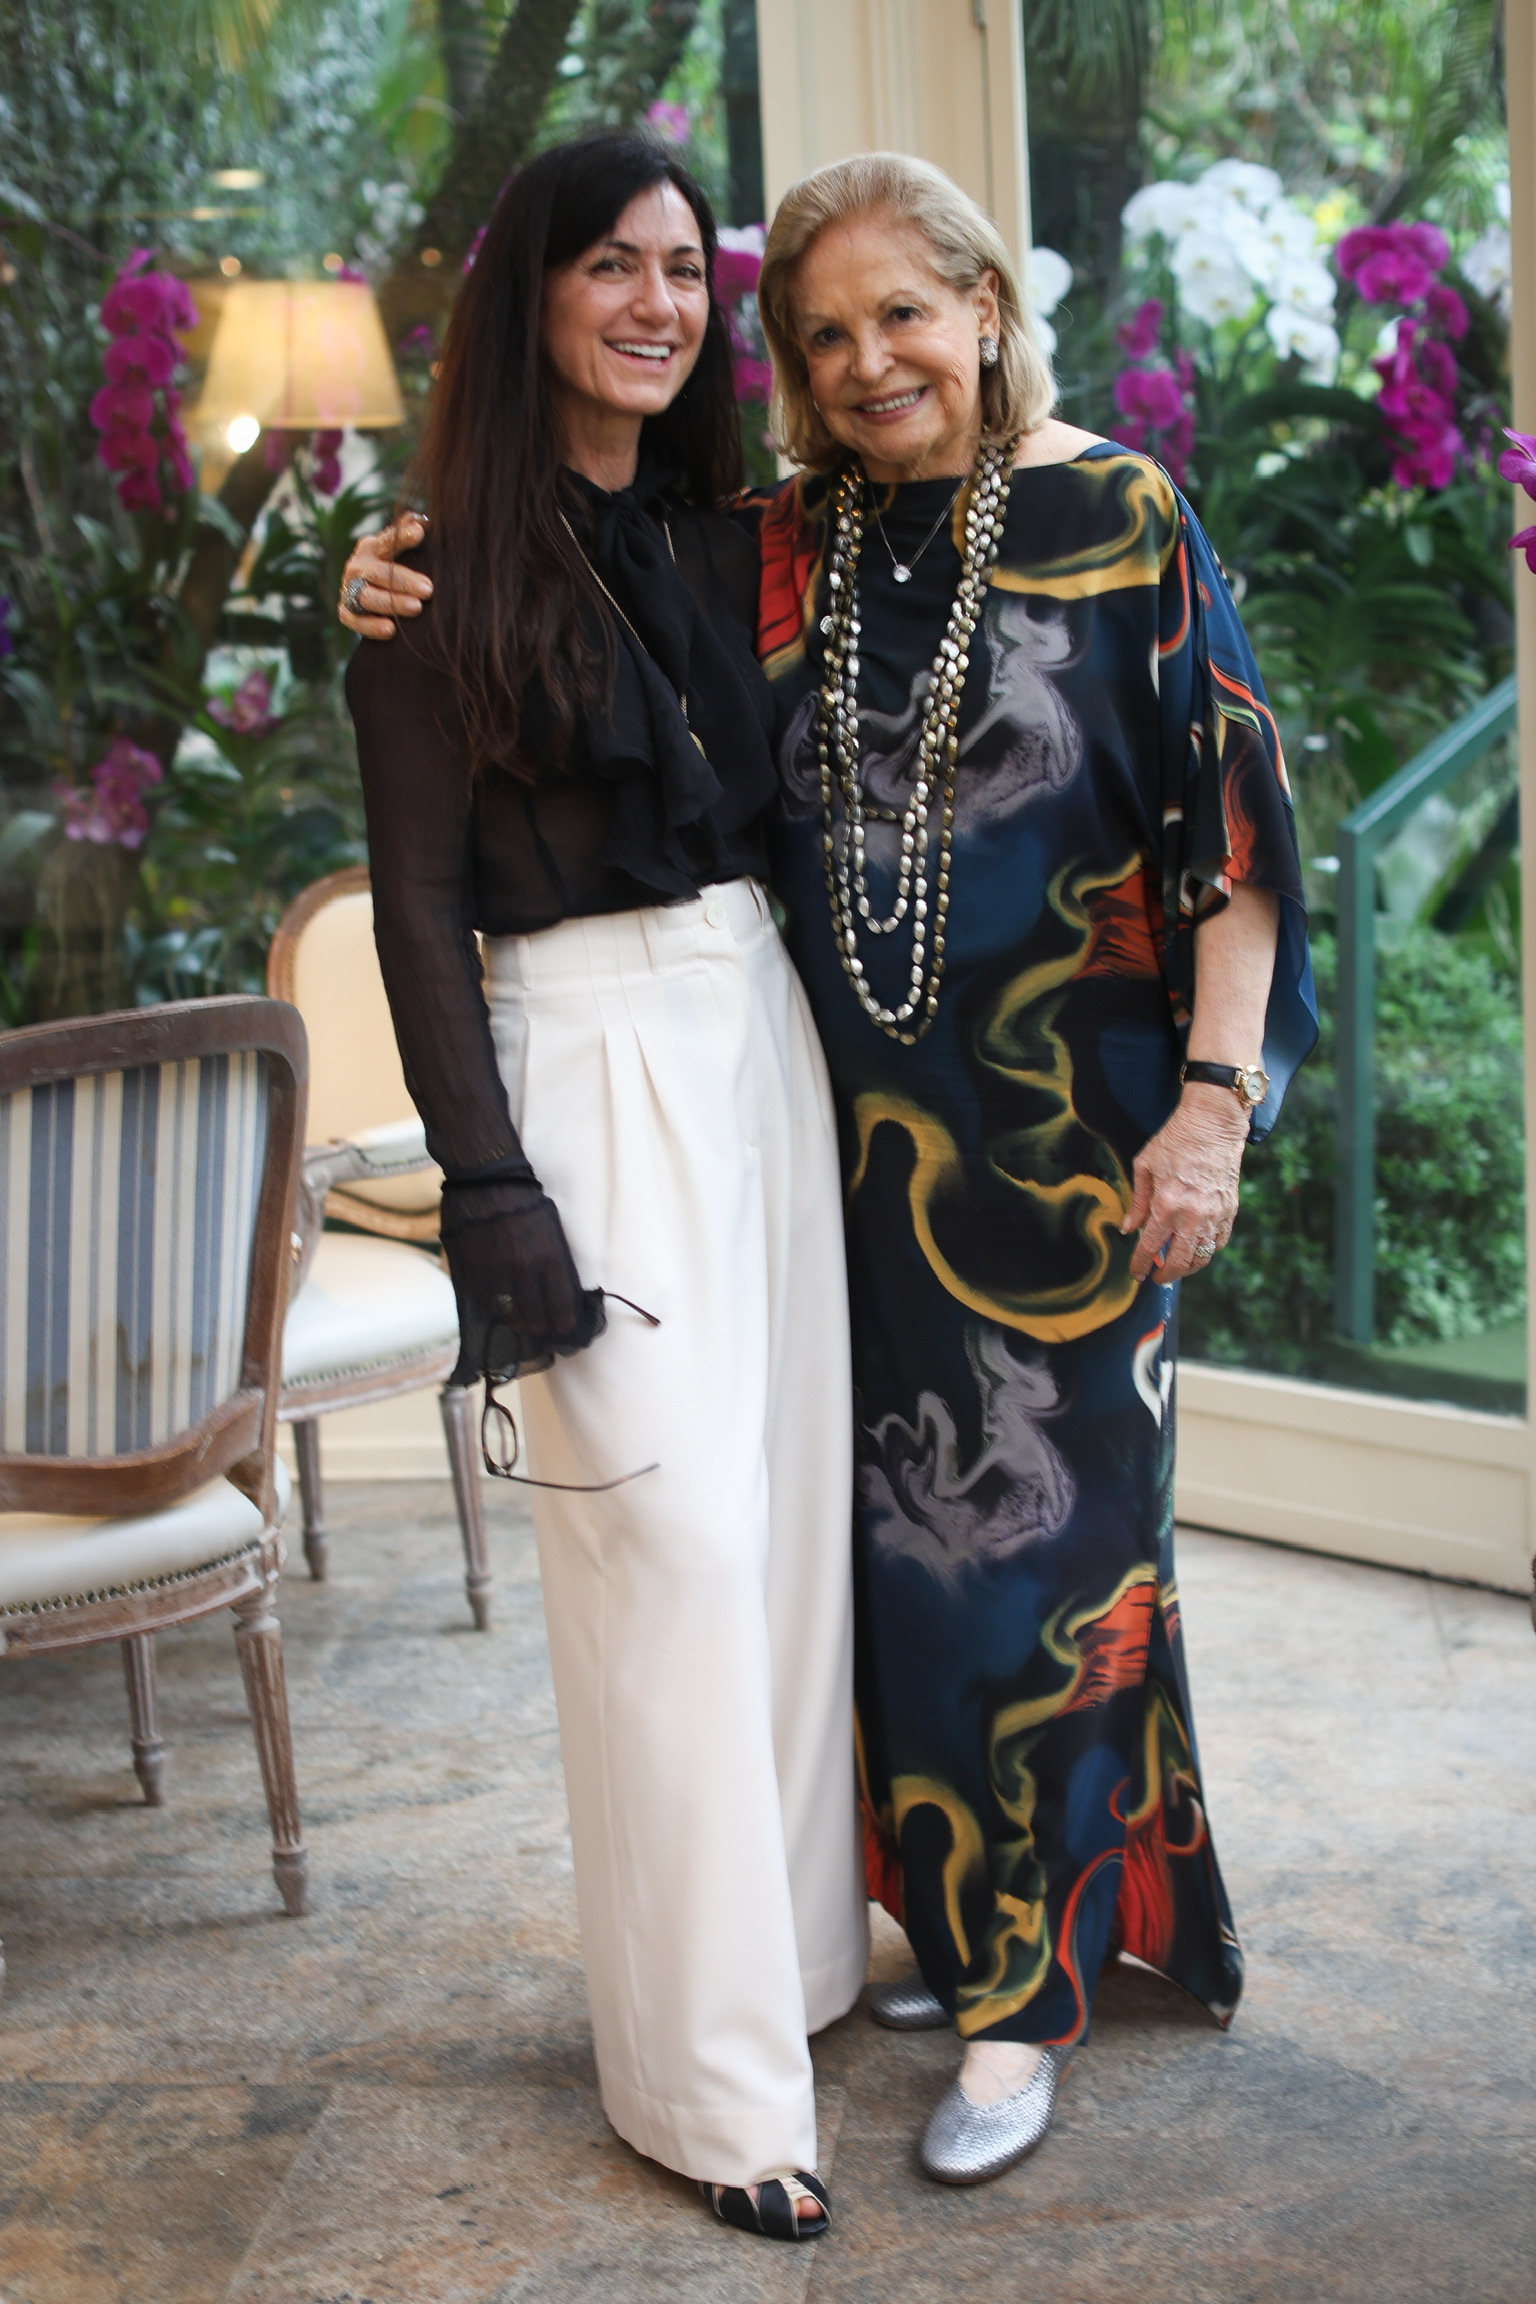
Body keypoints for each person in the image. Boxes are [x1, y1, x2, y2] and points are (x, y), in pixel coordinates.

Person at [341, 151, 1316, 2188]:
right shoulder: (784, 544)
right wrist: (387, 568)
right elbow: (559, 581)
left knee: (1052, 1559)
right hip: (839, 1152)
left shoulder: (1119, 511)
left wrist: (1214, 1109)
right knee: (883, 1569)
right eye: (823, 334)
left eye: (904, 315)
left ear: (985, 305)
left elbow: (1235, 843)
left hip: (1073, 1158)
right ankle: (969, 1918)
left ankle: (1021, 2003)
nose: (871, 362)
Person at [342, 133, 868, 2243]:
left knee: (785, 1538)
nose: (659, 305)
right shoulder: (422, 591)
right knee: (668, 1552)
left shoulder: (741, 539)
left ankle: (798, 1979)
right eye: (611, 269)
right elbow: (416, 915)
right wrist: (487, 1183)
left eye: (685, 271)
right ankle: (709, 2091)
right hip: (579, 1062)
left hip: (758, 1037)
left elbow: (960, 470)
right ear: (531, 298)